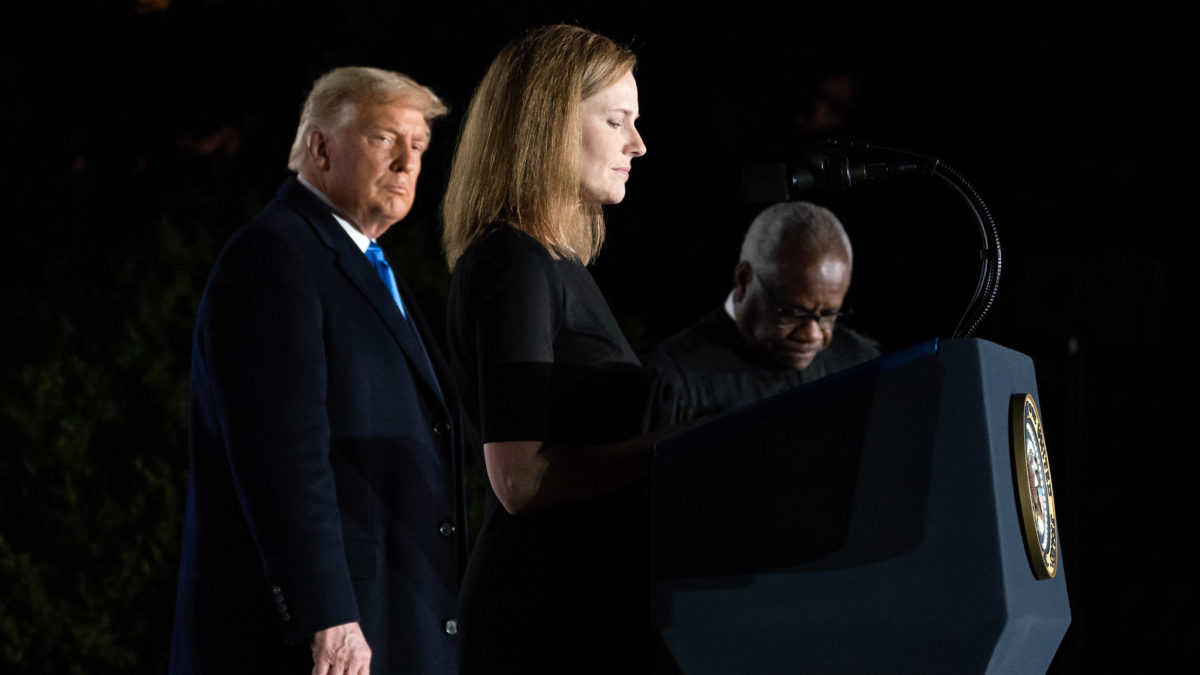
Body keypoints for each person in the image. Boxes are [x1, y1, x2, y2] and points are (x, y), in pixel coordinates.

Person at [169, 67, 465, 675]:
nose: (409, 163)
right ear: (320, 147)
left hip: (393, 618)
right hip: (329, 639)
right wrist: (325, 615)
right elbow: (281, 454)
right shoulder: (275, 256)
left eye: (420, 147)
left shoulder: (366, 264)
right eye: (385, 138)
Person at [441, 24, 665, 674]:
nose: (638, 144)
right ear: (550, 122)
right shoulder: (515, 261)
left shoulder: (550, 262)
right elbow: (518, 477)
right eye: (618, 120)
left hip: (575, 606)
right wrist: (676, 446)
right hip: (540, 618)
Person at [644, 201, 881, 429]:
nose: (813, 335)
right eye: (792, 313)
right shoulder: (677, 384)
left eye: (828, 314)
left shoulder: (860, 360)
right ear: (744, 280)